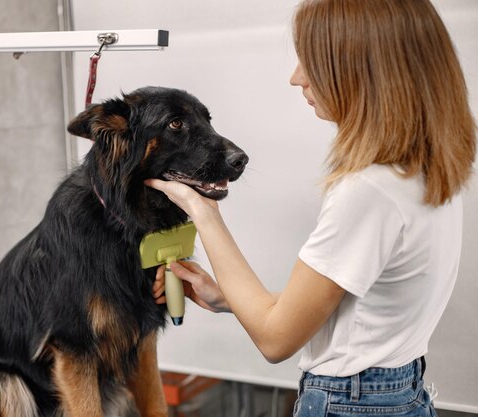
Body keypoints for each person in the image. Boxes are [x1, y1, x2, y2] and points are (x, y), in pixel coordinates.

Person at [146, 0, 476, 415]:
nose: (296, 77)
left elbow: (275, 340)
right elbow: (363, 305)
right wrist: (229, 297)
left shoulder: (368, 191)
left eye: (311, 61)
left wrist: (204, 211)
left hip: (352, 403)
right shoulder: (425, 169)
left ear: (361, 69)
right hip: (401, 393)